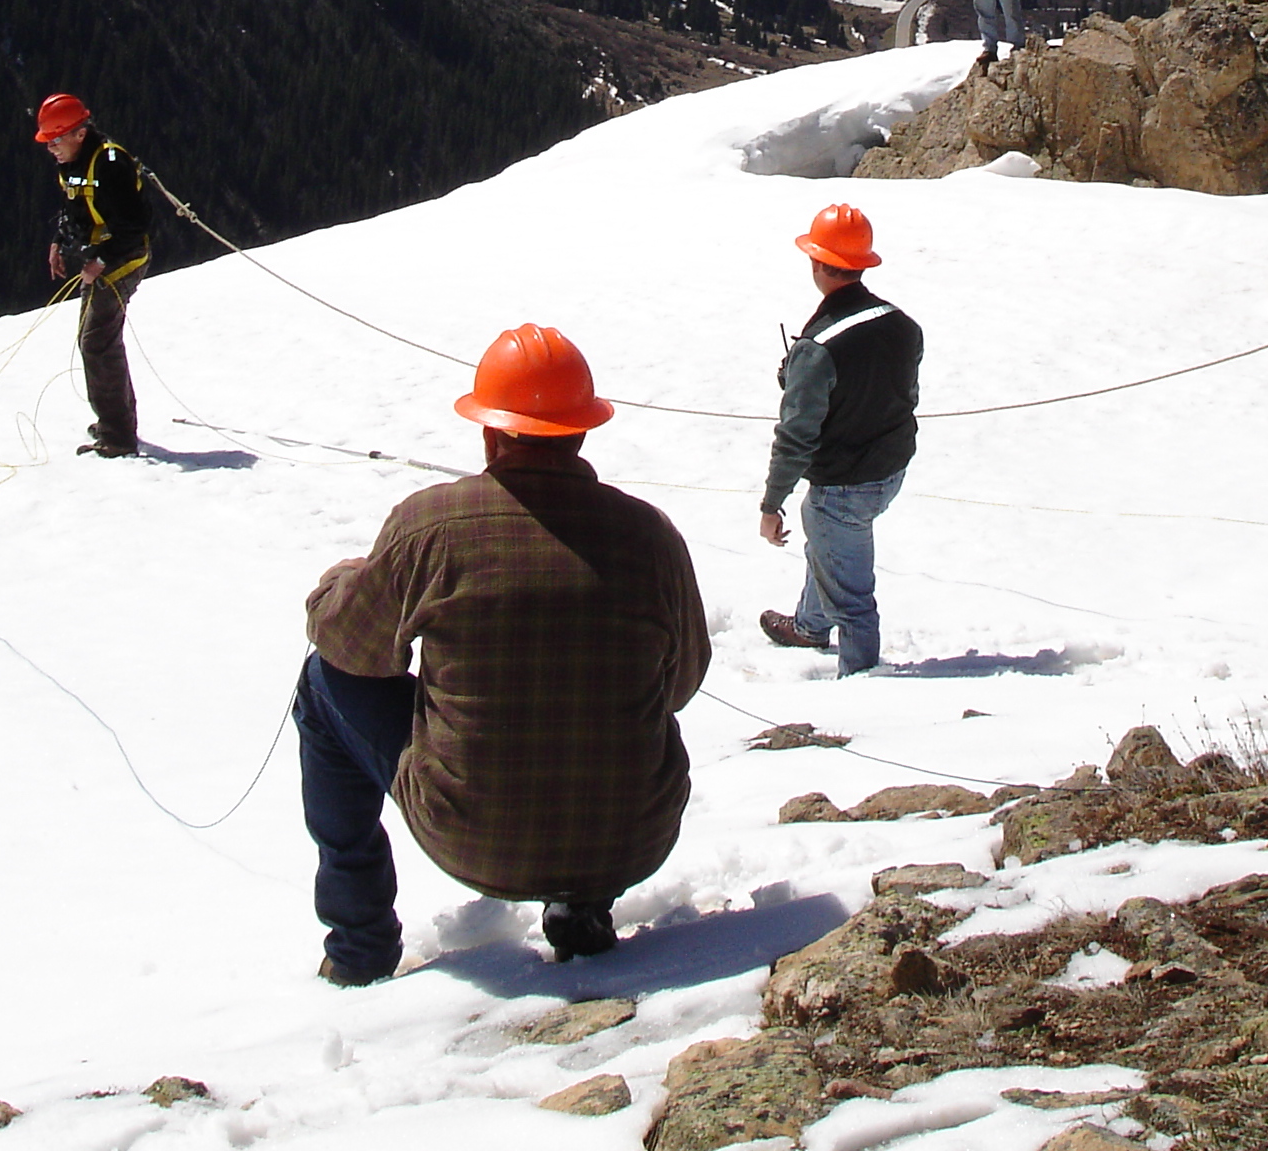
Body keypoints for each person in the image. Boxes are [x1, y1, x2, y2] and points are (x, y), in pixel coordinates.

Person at [297, 325, 709, 986]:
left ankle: (359, 946)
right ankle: (584, 908)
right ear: (581, 431)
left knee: (321, 684)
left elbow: (351, 646)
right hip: (632, 836)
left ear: (490, 431)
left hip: (473, 836)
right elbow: (681, 684)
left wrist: (342, 581)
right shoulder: (650, 535)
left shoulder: (430, 525)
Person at [757, 203, 923, 676]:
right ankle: (810, 626)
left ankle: (861, 683)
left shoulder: (817, 349)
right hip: (890, 468)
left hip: (845, 483)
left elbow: (795, 437)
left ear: (816, 263)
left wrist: (772, 506)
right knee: (830, 540)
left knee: (850, 593)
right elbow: (903, 395)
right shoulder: (902, 325)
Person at [34, 92, 150, 458]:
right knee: (96, 339)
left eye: (55, 139)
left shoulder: (110, 163)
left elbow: (134, 224)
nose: (51, 148)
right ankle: (114, 422)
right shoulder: (72, 163)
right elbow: (75, 208)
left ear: (78, 134)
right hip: (103, 258)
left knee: (97, 342)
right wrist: (58, 241)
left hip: (124, 258)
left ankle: (117, 435)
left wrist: (100, 259)